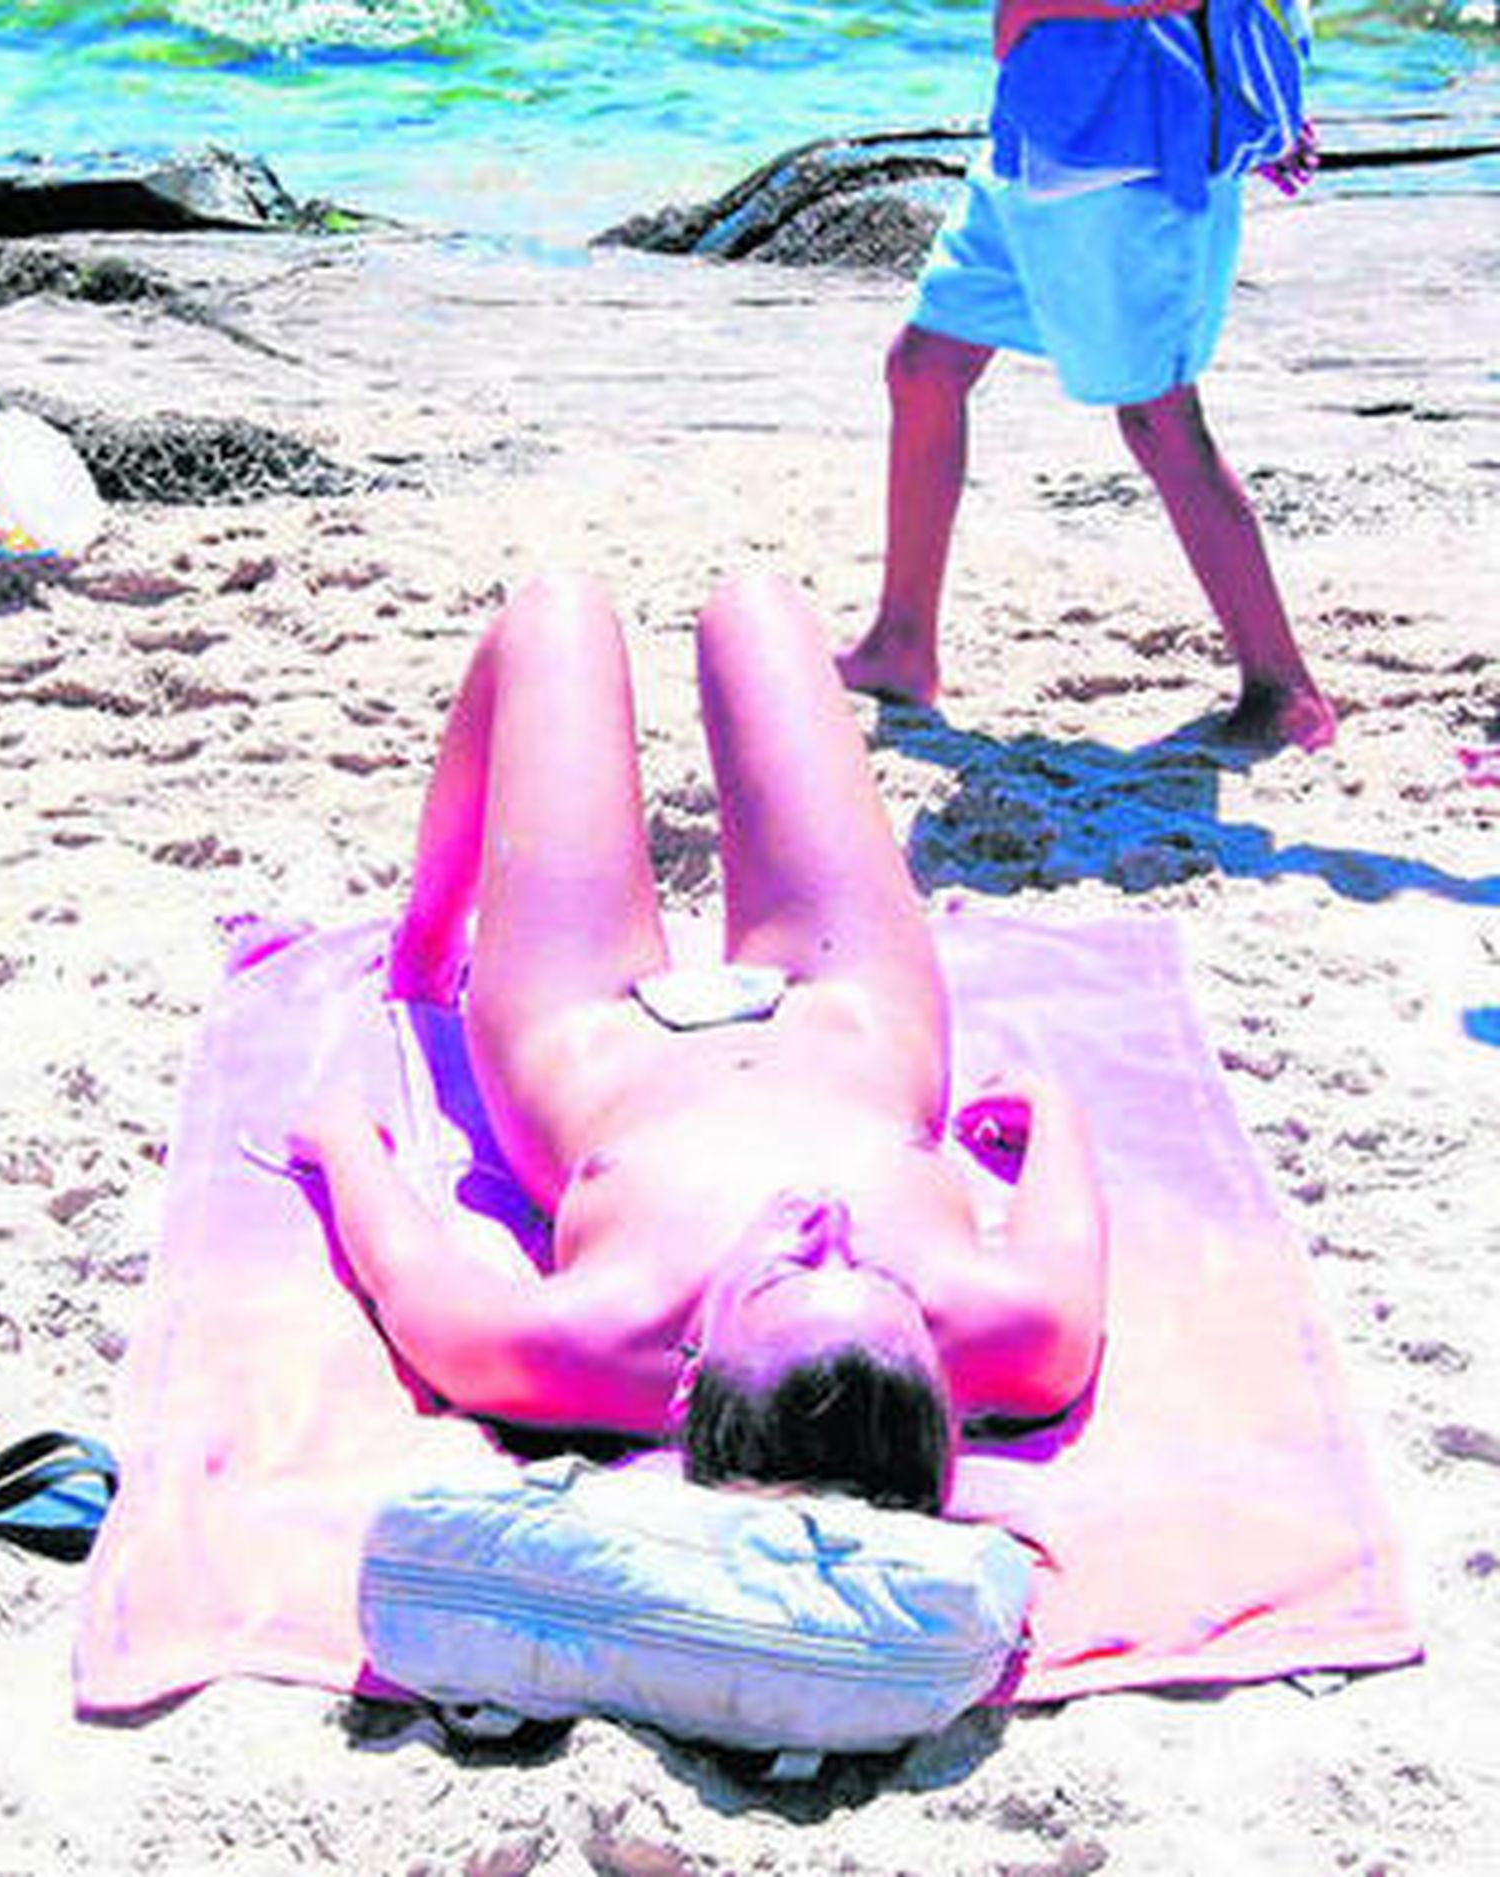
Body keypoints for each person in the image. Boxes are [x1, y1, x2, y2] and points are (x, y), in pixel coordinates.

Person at [288, 571, 1108, 1516]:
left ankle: (426, 932)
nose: (827, 1223)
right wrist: (1052, 1115)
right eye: (890, 1280)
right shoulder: (1023, 1338)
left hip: (592, 1036)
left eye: (788, 1272)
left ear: (690, 1382)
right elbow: (1068, 1225)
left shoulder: (569, 1346)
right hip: (848, 1016)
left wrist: (344, 1146)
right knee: (757, 610)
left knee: (556, 620)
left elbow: (409, 1278)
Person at [836, 0, 1337, 753]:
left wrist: (1035, 11)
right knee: (925, 367)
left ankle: (1283, 687)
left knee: (1160, 421)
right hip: (1042, 130)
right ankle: (902, 644)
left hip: (1133, 154)